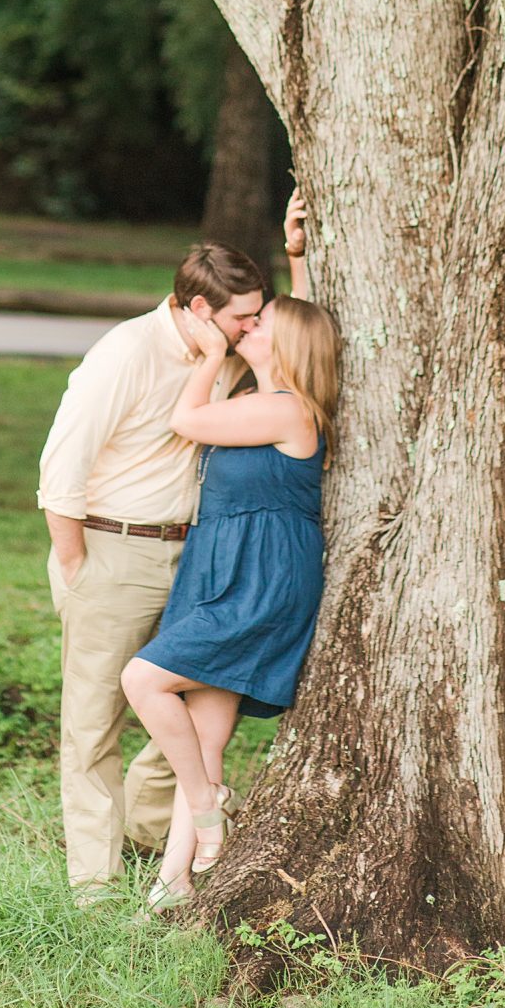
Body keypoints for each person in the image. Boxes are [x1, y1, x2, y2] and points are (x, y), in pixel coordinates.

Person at [37, 241, 265, 897]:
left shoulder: (223, 353)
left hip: (195, 553)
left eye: (257, 315)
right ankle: (95, 887)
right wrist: (79, 565)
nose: (253, 327)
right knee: (93, 721)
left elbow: (291, 334)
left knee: (200, 703)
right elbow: (62, 466)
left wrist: (295, 253)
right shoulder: (126, 353)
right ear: (200, 308)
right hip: (114, 550)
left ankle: (147, 823)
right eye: (241, 316)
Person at [120, 248, 340, 911]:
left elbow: (185, 421)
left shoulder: (287, 408)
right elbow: (300, 319)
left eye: (258, 323)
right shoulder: (258, 393)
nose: (245, 327)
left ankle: (204, 802)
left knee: (143, 678)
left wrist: (211, 357)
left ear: (288, 342)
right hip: (222, 565)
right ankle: (175, 880)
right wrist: (295, 255)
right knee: (206, 730)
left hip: (261, 576)